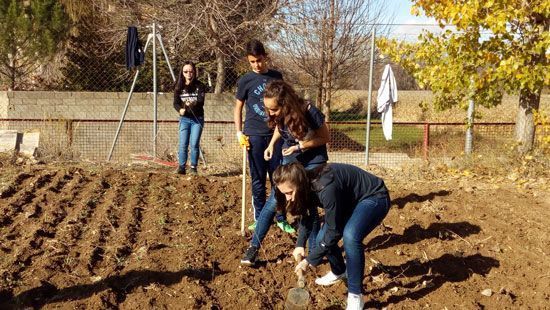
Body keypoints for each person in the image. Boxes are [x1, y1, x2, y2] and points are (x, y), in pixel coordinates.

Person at [276, 162, 391, 310]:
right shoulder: (305, 185)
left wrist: (309, 261)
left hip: (374, 197)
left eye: (289, 192)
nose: (287, 198)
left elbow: (334, 231)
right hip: (349, 202)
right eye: (284, 193)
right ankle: (339, 271)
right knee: (320, 239)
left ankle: (356, 295)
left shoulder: (325, 187)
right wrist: (299, 244)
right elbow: (307, 216)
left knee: (350, 236)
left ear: (299, 184)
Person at [240, 80, 330, 265]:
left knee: (308, 204)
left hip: (313, 162)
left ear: (286, 104)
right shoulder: (278, 113)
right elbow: (280, 129)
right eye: (268, 109)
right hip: (291, 157)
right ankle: (254, 248)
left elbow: (325, 137)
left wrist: (300, 146)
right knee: (275, 199)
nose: (270, 113)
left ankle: (313, 252)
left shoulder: (309, 111)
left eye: (273, 110)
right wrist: (272, 145)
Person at [234, 40, 294, 233]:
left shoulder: (276, 77)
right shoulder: (245, 80)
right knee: (258, 179)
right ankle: (260, 218)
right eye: (252, 62)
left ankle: (280, 217)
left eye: (259, 60)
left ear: (265, 57)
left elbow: (284, 104)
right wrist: (239, 132)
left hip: (276, 134)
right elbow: (238, 107)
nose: (256, 65)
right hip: (254, 135)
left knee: (278, 177)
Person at [173, 61, 206, 175]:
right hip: (184, 120)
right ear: (182, 73)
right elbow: (175, 103)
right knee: (183, 144)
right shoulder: (178, 86)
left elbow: (200, 102)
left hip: (197, 119)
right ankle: (181, 167)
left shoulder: (200, 86)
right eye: (186, 71)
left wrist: (190, 105)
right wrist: (180, 110)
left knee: (194, 144)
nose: (188, 74)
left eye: (191, 71)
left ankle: (193, 167)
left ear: (194, 72)